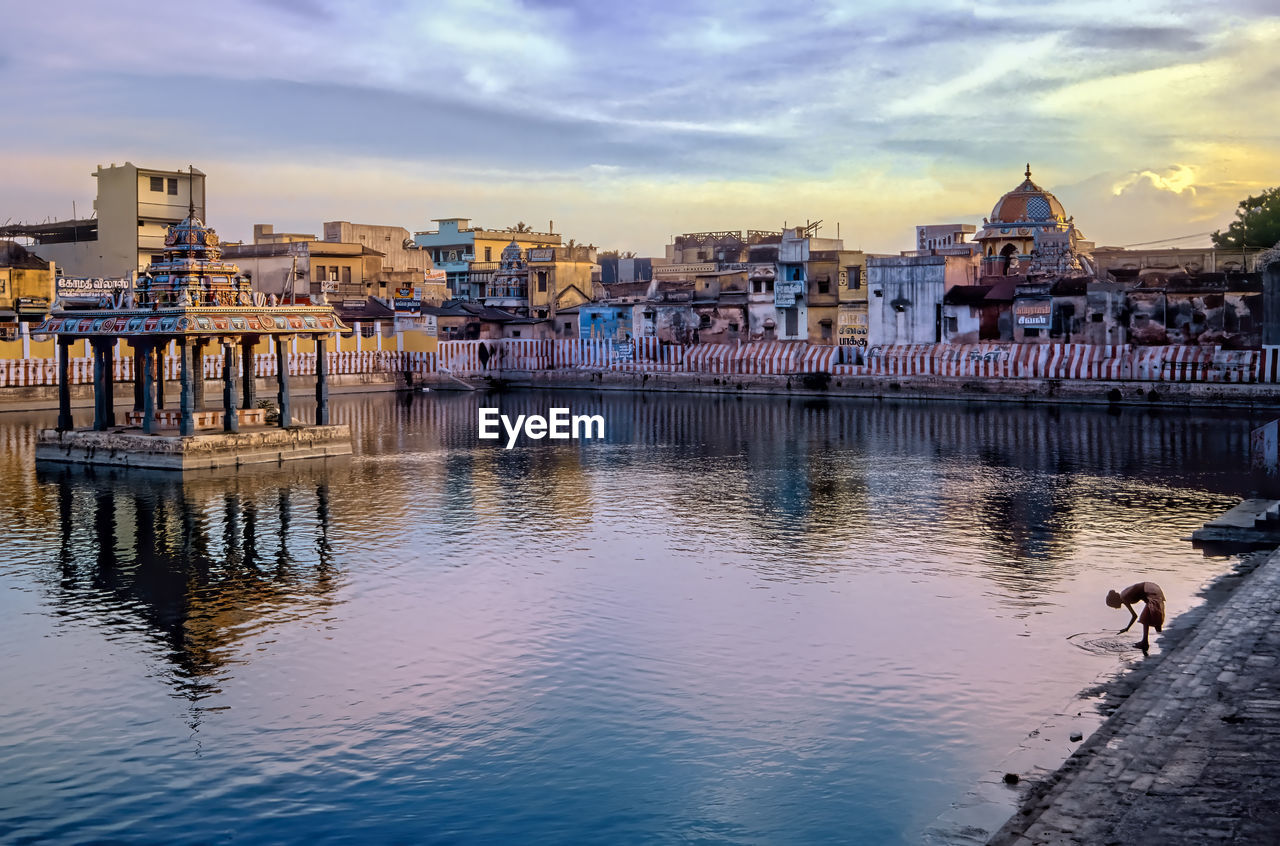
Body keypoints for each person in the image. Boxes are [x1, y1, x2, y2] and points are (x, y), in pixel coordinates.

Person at [1106, 582, 1165, 650]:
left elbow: (1139, 589)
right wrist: (1127, 628)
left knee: (1145, 618)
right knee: (1153, 618)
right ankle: (1159, 636)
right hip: (1152, 588)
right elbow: (1134, 615)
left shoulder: (1124, 597)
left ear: (1114, 601)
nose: (1115, 608)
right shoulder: (1123, 598)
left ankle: (1144, 643)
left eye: (1113, 606)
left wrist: (1148, 602)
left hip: (1150, 590)